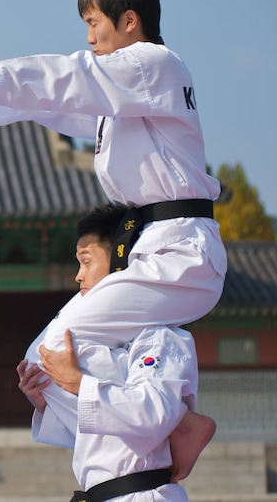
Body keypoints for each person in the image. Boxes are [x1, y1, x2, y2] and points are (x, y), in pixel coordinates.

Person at [0, 0, 225, 479]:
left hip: (181, 253)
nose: (88, 37)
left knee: (53, 352)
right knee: (39, 371)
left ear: (129, 21)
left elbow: (70, 75)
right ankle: (168, 428)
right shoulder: (126, 97)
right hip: (157, 251)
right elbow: (54, 101)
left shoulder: (154, 65)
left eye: (94, 23)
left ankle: (172, 421)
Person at [17, 203, 210, 501]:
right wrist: (48, 398)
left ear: (121, 260)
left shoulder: (161, 336)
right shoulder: (105, 350)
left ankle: (182, 422)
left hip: (143, 494)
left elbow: (152, 414)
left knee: (51, 349)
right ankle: (183, 423)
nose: (78, 277)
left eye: (86, 261)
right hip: (107, 493)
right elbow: (105, 435)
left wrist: (76, 383)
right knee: (43, 358)